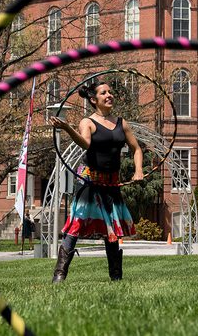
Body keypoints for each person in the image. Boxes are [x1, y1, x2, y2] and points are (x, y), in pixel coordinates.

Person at [49, 80, 143, 283]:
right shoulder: (87, 122)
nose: (109, 95)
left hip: (111, 183)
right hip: (90, 181)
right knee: (75, 226)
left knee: (112, 229)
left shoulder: (121, 123)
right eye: (104, 93)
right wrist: (67, 128)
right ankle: (59, 274)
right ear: (93, 99)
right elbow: (85, 143)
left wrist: (138, 170)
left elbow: (137, 149)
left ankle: (116, 277)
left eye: (110, 91)